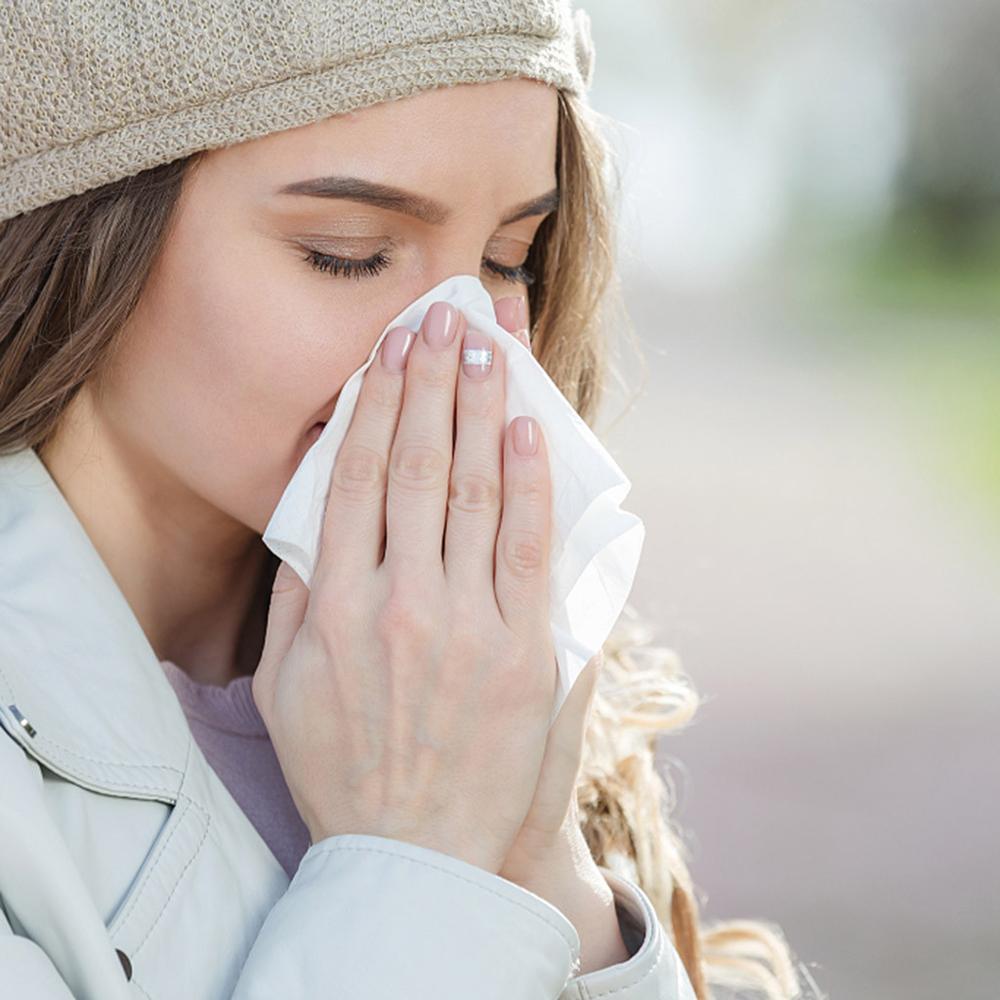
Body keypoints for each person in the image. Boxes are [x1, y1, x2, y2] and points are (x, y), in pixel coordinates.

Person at [0, 1, 808, 997]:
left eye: (508, 256)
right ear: (82, 234)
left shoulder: (485, 661)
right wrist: (417, 862)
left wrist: (543, 868)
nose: (468, 342)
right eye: (348, 251)